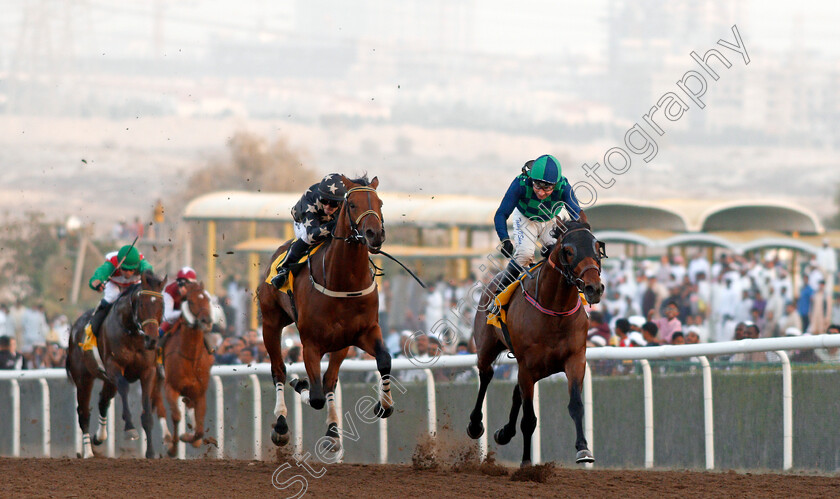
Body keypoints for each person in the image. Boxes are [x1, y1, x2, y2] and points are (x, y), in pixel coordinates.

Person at [489, 155, 582, 307]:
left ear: (556, 184)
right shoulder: (520, 183)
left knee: (561, 254)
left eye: (547, 188)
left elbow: (576, 213)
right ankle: (499, 295)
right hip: (526, 219)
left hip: (549, 220)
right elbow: (501, 214)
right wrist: (504, 239)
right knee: (525, 254)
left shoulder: (564, 186)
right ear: (531, 179)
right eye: (537, 186)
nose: (541, 193)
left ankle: (574, 294)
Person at [271, 173, 346, 289]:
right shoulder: (309, 201)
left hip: (328, 223)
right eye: (324, 201)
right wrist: (338, 224)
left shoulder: (345, 202)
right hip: (304, 222)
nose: (327, 206)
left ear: (341, 202)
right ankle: (284, 269)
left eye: (333, 203)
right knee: (307, 237)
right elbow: (313, 235)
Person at [83, 244, 153, 349]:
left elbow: (149, 271)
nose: (128, 273)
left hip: (134, 284)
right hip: (114, 283)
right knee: (112, 296)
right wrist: (97, 284)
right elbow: (96, 278)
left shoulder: (141, 263)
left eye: (132, 270)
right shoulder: (111, 264)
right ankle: (93, 325)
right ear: (119, 265)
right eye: (124, 269)